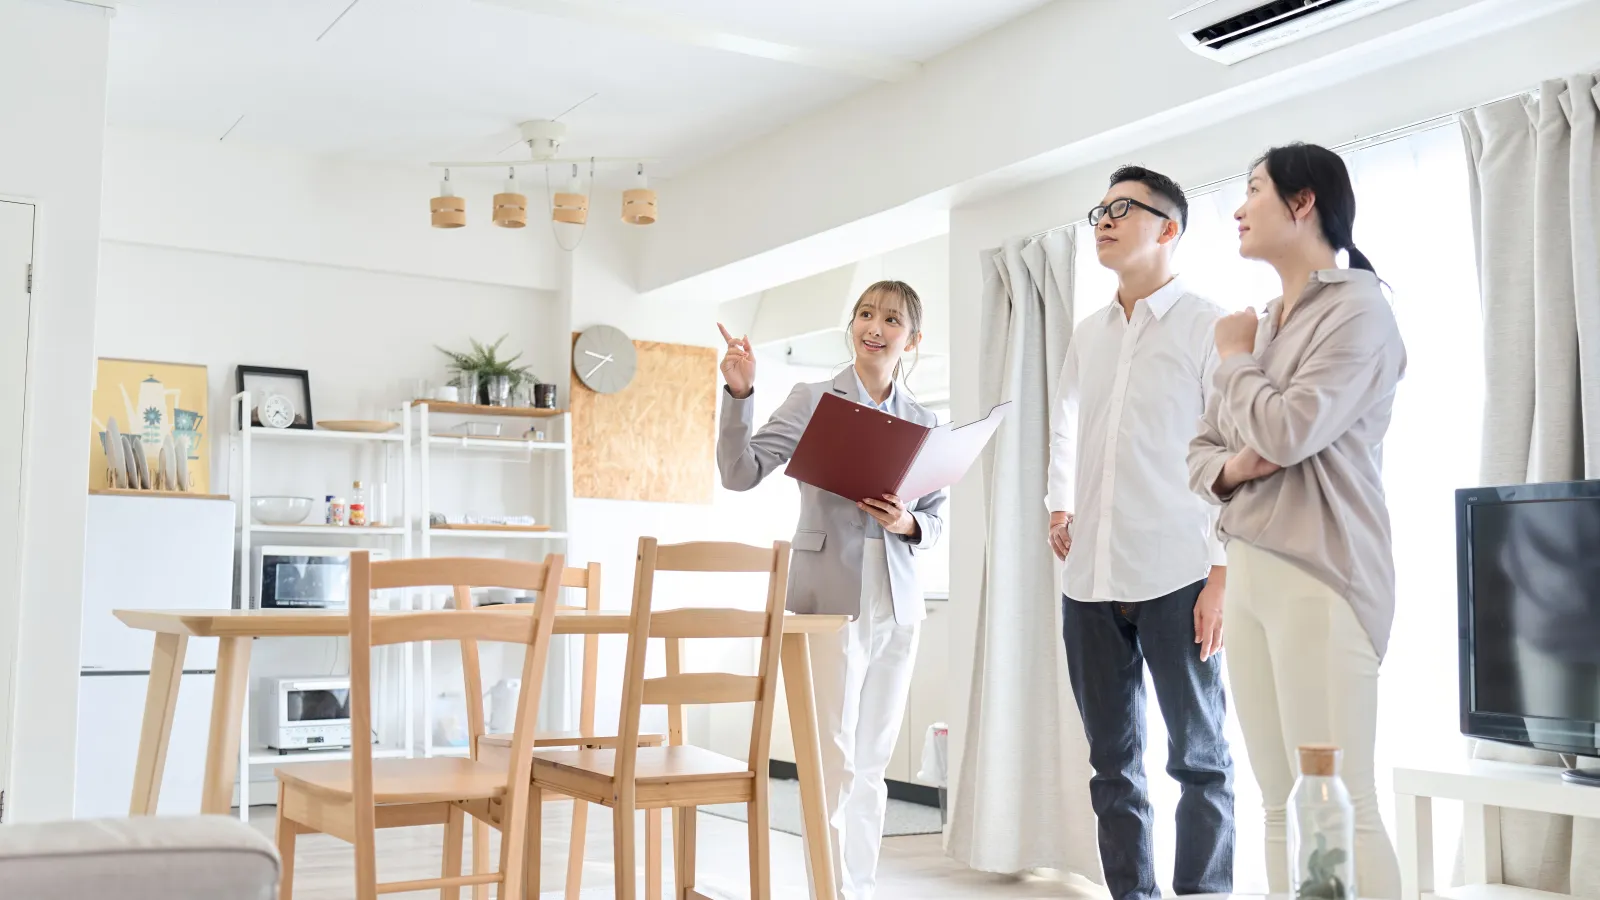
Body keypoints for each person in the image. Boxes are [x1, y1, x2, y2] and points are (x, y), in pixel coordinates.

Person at [1188, 142, 1406, 899]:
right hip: (1251, 569)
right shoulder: (1261, 325)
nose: (1240, 210)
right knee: (1279, 804)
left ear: (1303, 201)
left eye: (1253, 190)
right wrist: (1234, 466)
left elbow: (1287, 430)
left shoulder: (1361, 310)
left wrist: (1231, 363)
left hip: (1324, 574)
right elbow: (1203, 451)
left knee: (1342, 804)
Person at [716, 280, 946, 900]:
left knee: (872, 765)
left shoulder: (924, 421)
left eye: (891, 319)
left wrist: (908, 522)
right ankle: (828, 887)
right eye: (865, 314)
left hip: (898, 607)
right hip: (827, 602)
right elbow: (739, 474)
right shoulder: (813, 399)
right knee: (833, 759)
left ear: (913, 339)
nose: (875, 326)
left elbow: (936, 518)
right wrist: (739, 394)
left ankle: (858, 888)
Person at [1048, 166, 1234, 900]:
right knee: (1113, 766)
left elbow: (1230, 448)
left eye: (1123, 209)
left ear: (1168, 227)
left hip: (1181, 572)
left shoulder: (1208, 325)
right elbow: (1065, 421)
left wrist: (1223, 573)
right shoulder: (1088, 334)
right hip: (1089, 577)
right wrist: (1057, 504)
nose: (1104, 220)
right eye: (1099, 209)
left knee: (1201, 759)